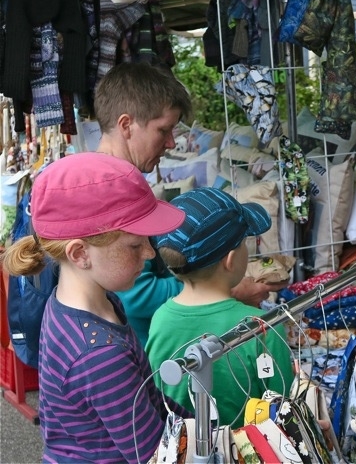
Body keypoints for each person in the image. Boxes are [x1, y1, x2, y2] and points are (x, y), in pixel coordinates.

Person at [1, 153, 192, 463]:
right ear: (80, 254)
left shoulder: (82, 302)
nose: (149, 252)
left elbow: (148, 396)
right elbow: (158, 456)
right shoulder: (99, 354)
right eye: (135, 245)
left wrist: (198, 425)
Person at [92, 62, 289, 346]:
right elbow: (136, 296)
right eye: (163, 130)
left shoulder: (109, 182)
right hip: (152, 349)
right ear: (126, 125)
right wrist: (224, 291)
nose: (171, 143)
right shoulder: (115, 194)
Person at [145, 187, 295, 427]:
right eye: (245, 243)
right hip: (250, 447)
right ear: (230, 260)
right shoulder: (263, 327)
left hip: (183, 445)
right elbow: (284, 412)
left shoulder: (160, 319)